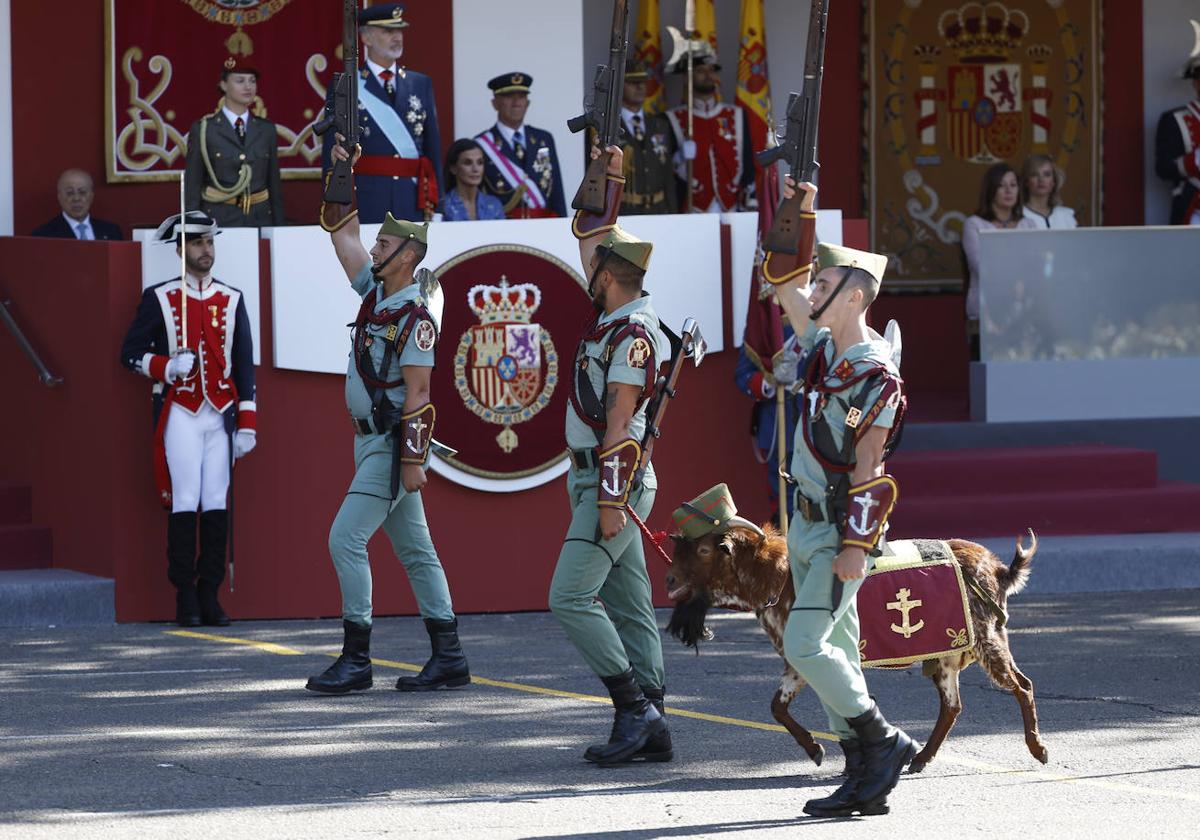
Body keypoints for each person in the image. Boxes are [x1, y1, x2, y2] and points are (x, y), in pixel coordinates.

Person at [762, 177, 914, 817]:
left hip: (838, 535)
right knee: (839, 650)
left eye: (822, 286)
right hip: (805, 525)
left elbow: (870, 469)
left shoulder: (876, 374)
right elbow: (780, 280)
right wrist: (799, 210)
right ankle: (863, 774)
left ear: (853, 297)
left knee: (804, 646)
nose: (809, 292)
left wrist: (854, 547)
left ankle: (883, 742)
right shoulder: (827, 349)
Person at [306, 136, 469, 696]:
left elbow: (421, 396)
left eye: (385, 244)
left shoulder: (416, 318)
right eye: (377, 242)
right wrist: (342, 175)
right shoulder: (375, 293)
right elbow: (342, 235)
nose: (373, 249)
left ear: (409, 256)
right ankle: (449, 655)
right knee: (417, 550)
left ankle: (357, 658)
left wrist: (413, 462)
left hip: (393, 443)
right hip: (371, 440)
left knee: (344, 540)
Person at [548, 142, 672, 766]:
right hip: (603, 480)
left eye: (594, 269)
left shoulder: (633, 333)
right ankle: (654, 718)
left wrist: (610, 501)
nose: (587, 274)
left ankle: (634, 709)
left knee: (569, 596)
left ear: (611, 276)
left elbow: (620, 423)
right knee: (628, 601)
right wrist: (607, 175)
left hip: (611, 480)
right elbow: (589, 233)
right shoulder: (615, 319)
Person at [118, 212, 257, 627]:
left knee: (216, 500)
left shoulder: (231, 299)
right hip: (180, 410)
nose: (206, 250)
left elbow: (244, 366)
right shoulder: (160, 297)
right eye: (197, 244)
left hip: (220, 414)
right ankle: (184, 595)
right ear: (181, 250)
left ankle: (209, 593)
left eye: (209, 242)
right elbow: (128, 353)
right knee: (184, 499)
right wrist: (164, 366)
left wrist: (248, 422)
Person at [321, 2, 442, 223]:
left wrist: (438, 203)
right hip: (367, 198)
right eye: (388, 31)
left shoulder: (420, 83)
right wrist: (335, 205)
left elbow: (432, 147)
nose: (397, 37)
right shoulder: (347, 84)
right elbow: (332, 148)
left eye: (399, 30)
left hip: (412, 198)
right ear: (366, 38)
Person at [184, 57, 285, 227]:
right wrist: (193, 228)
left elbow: (274, 186)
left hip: (260, 218)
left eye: (252, 81)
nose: (248, 86)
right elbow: (193, 187)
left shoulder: (266, 130)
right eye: (240, 81)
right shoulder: (204, 129)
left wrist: (279, 227)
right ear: (223, 85)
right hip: (220, 218)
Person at [961, 163, 1038, 357]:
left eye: (1013, 184)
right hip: (986, 311)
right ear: (991, 190)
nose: (1009, 190)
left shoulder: (1029, 224)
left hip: (1026, 309)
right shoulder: (974, 224)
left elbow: (1035, 268)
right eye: (1002, 185)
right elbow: (981, 267)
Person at [665, 46, 753, 212]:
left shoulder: (736, 115)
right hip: (692, 206)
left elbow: (747, 161)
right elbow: (664, 169)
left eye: (711, 70)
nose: (708, 76)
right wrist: (678, 158)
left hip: (733, 205)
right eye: (700, 71)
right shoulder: (672, 119)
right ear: (686, 77)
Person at [475, 73, 567, 218]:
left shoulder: (543, 139)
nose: (516, 102)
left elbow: (557, 192)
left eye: (522, 96)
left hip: (544, 226)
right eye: (509, 96)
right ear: (495, 103)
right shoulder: (481, 144)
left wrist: (562, 227)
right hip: (502, 228)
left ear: (528, 103)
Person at [733, 324, 799, 527]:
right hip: (779, 428)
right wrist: (771, 380)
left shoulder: (826, 310)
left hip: (819, 431)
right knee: (784, 510)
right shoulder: (765, 321)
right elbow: (743, 374)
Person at [618, 60, 678, 215]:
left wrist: (673, 213)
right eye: (633, 82)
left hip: (659, 210)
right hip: (626, 211)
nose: (640, 87)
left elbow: (668, 175)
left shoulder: (660, 124)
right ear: (620, 86)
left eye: (643, 82)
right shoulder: (609, 127)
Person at [1154, 55, 1200, 225]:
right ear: (1195, 82)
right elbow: (1163, 168)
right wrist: (1194, 160)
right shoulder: (1174, 119)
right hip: (1194, 210)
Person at [31, 169, 123, 240]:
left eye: (82, 192)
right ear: (59, 197)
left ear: (91, 196)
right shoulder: (43, 235)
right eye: (70, 193)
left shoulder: (112, 231)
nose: (76, 198)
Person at [437, 138, 506, 221]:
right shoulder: (443, 206)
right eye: (468, 163)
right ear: (453, 168)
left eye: (480, 162)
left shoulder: (494, 205)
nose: (475, 169)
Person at [1020, 154, 1076, 229]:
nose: (1041, 180)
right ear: (1026, 181)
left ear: (1054, 182)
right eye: (1034, 175)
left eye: (1047, 174)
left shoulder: (1065, 216)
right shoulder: (1018, 216)